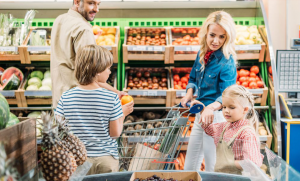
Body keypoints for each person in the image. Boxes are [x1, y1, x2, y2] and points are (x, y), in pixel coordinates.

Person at [55, 45, 134, 174]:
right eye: (108, 68)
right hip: (105, 161)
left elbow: (59, 127)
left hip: (76, 160)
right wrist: (123, 114)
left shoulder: (66, 97)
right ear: (98, 71)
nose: (109, 71)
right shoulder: (111, 98)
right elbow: (115, 133)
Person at [181, 11, 237, 172]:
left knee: (213, 166)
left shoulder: (227, 61)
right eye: (212, 35)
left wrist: (211, 108)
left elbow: (227, 94)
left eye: (221, 37)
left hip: (216, 117)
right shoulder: (202, 53)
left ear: (227, 38)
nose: (215, 41)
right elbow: (192, 77)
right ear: (206, 32)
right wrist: (189, 93)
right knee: (189, 166)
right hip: (201, 115)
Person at [51, 0, 125, 108]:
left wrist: (91, 40)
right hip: (79, 107)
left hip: (60, 102)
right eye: (91, 3)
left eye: (98, 4)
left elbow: (67, 55)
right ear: (77, 2)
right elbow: (91, 77)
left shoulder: (59, 20)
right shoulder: (83, 30)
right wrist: (115, 92)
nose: (96, 9)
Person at [192, 84, 263, 174]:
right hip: (222, 177)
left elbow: (253, 163)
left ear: (245, 110)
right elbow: (208, 129)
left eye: (231, 107)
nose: (226, 110)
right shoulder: (223, 127)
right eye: (224, 107)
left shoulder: (247, 133)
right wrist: (202, 110)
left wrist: (228, 163)